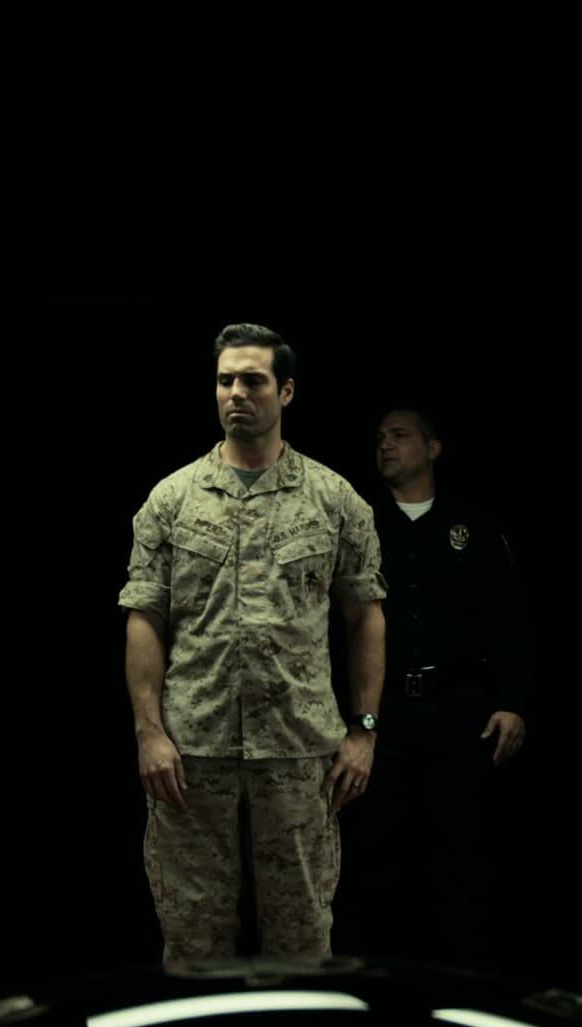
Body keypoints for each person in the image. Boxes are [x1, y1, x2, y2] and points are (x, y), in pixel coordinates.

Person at [120, 323, 386, 963]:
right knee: (192, 939)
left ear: (286, 391)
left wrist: (365, 729)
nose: (236, 393)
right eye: (225, 381)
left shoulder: (333, 499)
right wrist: (148, 732)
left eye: (252, 380)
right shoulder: (173, 499)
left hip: (298, 748)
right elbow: (144, 618)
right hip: (193, 749)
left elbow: (365, 617)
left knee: (302, 937)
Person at [338, 407, 529, 968]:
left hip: (458, 712)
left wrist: (513, 701)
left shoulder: (472, 526)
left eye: (399, 436)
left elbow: (508, 619)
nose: (385, 445)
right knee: (377, 860)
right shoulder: (361, 522)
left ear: (433, 447)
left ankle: (463, 987)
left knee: (462, 860)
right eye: (379, 437)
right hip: (383, 715)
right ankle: (376, 985)